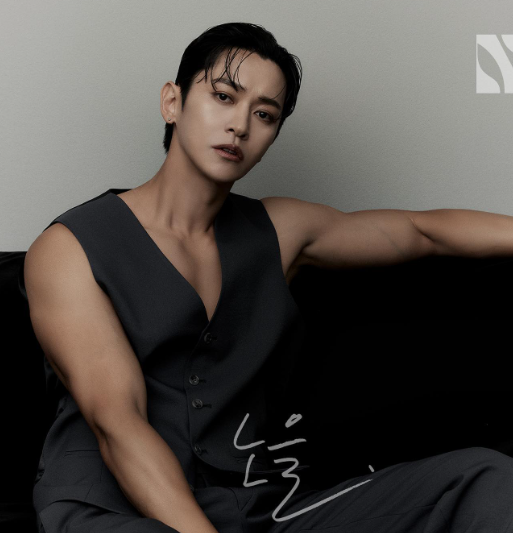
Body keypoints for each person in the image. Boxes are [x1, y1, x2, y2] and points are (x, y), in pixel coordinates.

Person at [23, 21, 513, 533]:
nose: (240, 125)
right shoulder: (71, 248)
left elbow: (421, 231)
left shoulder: (279, 231)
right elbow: (117, 423)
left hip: (258, 509)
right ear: (172, 102)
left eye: (264, 114)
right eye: (223, 96)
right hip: (112, 513)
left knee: (483, 479)